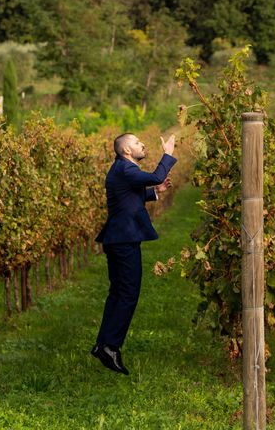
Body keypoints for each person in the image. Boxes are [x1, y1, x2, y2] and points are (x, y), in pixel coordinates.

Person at [91, 133, 176, 375]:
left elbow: (129, 198)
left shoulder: (121, 170)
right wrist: (168, 153)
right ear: (127, 150)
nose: (142, 145)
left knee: (118, 293)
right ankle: (110, 346)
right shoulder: (126, 169)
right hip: (124, 241)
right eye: (137, 143)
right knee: (128, 293)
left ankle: (104, 344)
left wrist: (155, 191)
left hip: (118, 239)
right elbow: (156, 175)